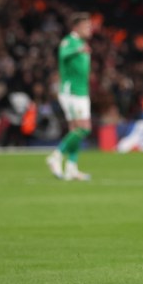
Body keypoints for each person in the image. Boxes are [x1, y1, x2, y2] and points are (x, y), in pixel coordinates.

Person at [46, 13, 94, 180]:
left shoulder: (83, 43)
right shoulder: (69, 41)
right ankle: (56, 156)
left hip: (82, 92)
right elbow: (62, 55)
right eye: (87, 26)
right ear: (77, 27)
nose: (90, 29)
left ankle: (72, 167)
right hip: (71, 91)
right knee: (84, 128)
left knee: (76, 131)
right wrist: (77, 50)